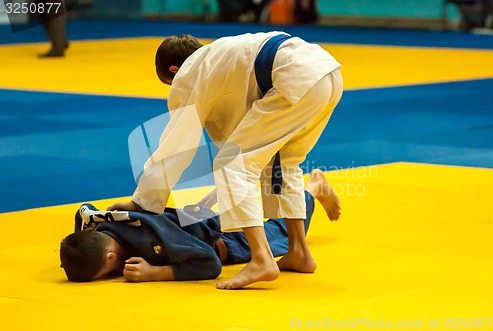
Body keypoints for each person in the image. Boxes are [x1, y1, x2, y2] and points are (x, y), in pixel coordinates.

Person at [108, 32, 343, 289]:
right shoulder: (220, 59)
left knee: (232, 164)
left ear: (175, 70)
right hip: (326, 72)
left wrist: (142, 201)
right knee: (283, 163)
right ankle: (299, 252)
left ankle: (262, 258)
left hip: (293, 77)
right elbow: (242, 125)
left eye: (169, 83)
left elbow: (176, 145)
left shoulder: (190, 75)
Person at [60, 170, 340, 282]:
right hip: (190, 218)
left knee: (282, 234)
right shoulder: (95, 225)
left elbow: (210, 265)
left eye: (106, 272)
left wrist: (156, 273)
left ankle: (313, 187)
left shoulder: (154, 238)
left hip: (225, 240)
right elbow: (82, 217)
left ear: (111, 257)